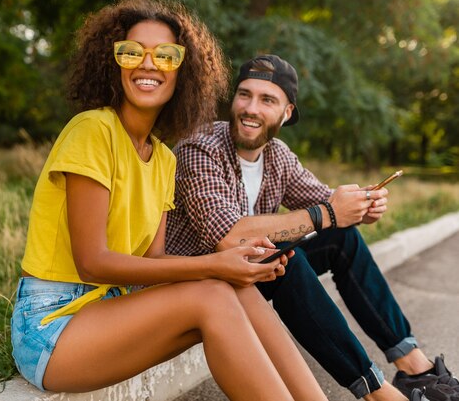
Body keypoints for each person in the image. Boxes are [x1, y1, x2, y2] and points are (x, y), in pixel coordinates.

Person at [10, 0, 330, 401]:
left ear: (183, 70)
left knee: (229, 287)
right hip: (53, 326)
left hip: (110, 311)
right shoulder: (92, 130)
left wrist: (231, 266)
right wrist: (214, 264)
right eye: (132, 52)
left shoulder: (163, 158)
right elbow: (91, 261)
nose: (148, 64)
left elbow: (154, 261)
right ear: (114, 63)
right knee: (212, 290)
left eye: (165, 55)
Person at [167, 53, 459, 401]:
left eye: (267, 100)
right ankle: (376, 392)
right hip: (195, 283)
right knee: (287, 262)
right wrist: (325, 213)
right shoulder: (202, 148)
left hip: (244, 278)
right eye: (244, 94)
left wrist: (362, 205)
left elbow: (327, 202)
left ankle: (415, 368)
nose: (251, 108)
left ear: (287, 112)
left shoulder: (278, 155)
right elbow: (228, 236)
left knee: (341, 238)